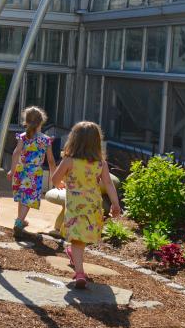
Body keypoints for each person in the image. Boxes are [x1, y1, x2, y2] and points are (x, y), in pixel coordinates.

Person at [49, 121, 122, 290]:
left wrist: (60, 183)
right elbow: (109, 184)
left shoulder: (69, 161)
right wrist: (115, 204)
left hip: (75, 205)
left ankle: (79, 273)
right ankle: (75, 258)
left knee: (77, 239)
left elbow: (54, 179)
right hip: (93, 206)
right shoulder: (100, 163)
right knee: (81, 238)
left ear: (73, 139)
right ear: (97, 142)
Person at [7, 106, 56, 234]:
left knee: (23, 196)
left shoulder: (23, 137)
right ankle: (19, 221)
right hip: (34, 174)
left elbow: (16, 153)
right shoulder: (45, 140)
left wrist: (12, 171)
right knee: (28, 198)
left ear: (26, 121)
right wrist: (54, 177)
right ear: (41, 122)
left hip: (21, 170)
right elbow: (50, 160)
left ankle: (21, 220)